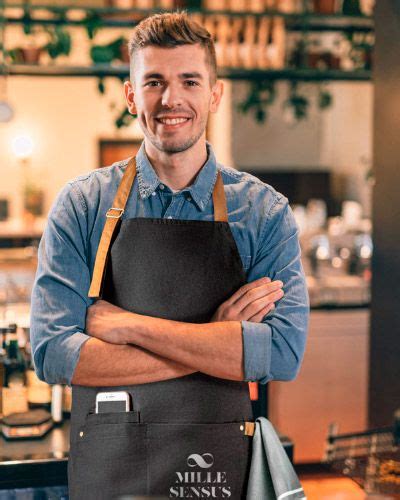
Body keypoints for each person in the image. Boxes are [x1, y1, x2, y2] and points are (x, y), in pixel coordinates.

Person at [30, 11, 309, 500]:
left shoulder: (263, 212)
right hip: (109, 462)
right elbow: (54, 354)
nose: (170, 99)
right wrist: (217, 343)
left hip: (216, 464)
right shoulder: (83, 205)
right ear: (131, 95)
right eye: (154, 81)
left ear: (215, 94)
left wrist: (128, 326)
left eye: (189, 81)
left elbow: (282, 353)